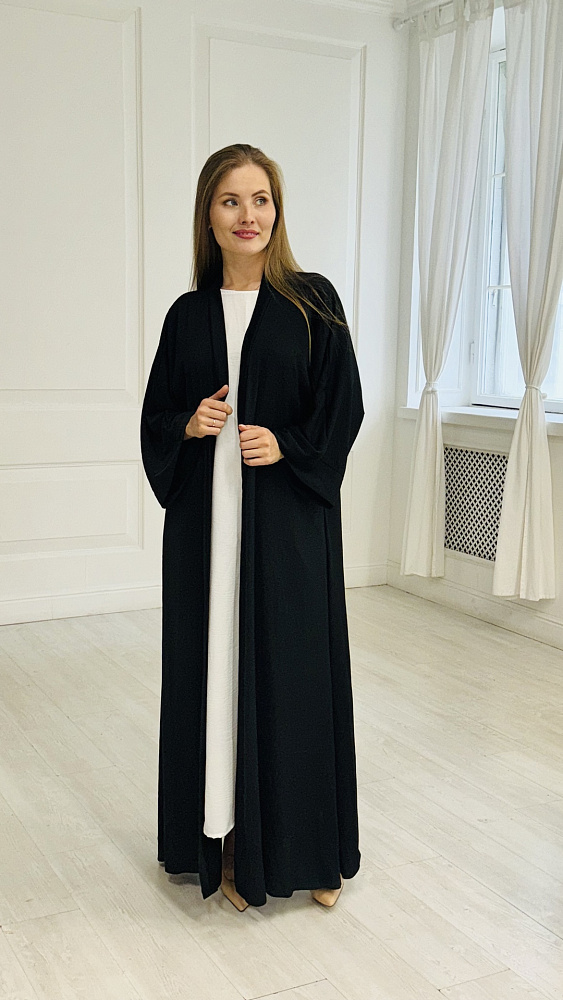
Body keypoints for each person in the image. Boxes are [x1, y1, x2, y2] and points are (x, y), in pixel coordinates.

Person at [140, 143, 365, 911]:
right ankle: (227, 843)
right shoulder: (187, 314)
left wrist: (287, 446)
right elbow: (155, 417)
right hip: (206, 535)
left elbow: (341, 407)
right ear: (208, 214)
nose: (248, 215)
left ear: (277, 209)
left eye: (260, 199)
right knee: (214, 680)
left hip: (286, 532)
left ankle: (312, 851)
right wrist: (188, 425)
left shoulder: (311, 300)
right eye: (230, 200)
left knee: (295, 680)